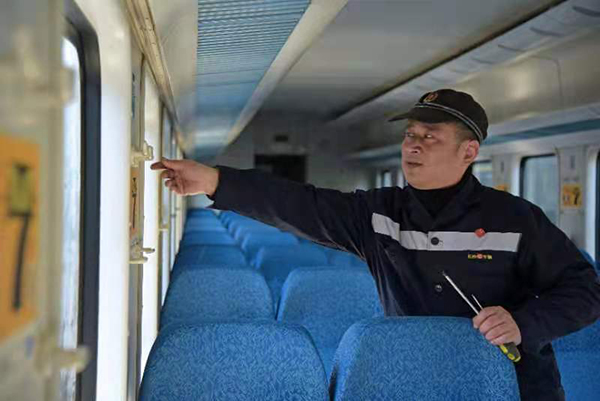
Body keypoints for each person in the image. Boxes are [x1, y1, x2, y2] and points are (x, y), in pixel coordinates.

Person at [151, 89, 600, 401]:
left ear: (469, 152)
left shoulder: (516, 219)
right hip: (409, 380)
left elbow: (585, 289)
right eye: (410, 135)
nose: (413, 145)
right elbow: (300, 205)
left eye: (430, 137)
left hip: (516, 385)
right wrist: (215, 181)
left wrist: (523, 322)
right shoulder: (379, 214)